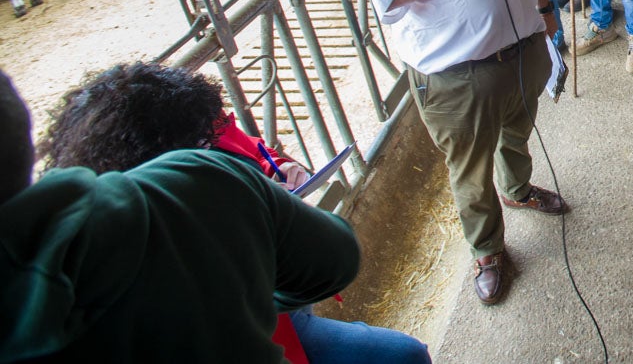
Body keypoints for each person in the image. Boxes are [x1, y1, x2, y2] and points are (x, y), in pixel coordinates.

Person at [36, 62, 431, 364]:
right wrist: (260, 218)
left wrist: (278, 172)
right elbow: (330, 264)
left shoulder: (66, 246)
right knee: (402, 356)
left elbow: (256, 150)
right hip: (274, 329)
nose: (213, 143)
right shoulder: (191, 187)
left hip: (283, 316)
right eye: (202, 143)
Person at [365, 0, 566, 306]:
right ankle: (488, 250)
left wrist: (545, 9)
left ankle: (517, 188)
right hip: (457, 75)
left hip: (522, 50)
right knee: (470, 168)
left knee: (517, 130)